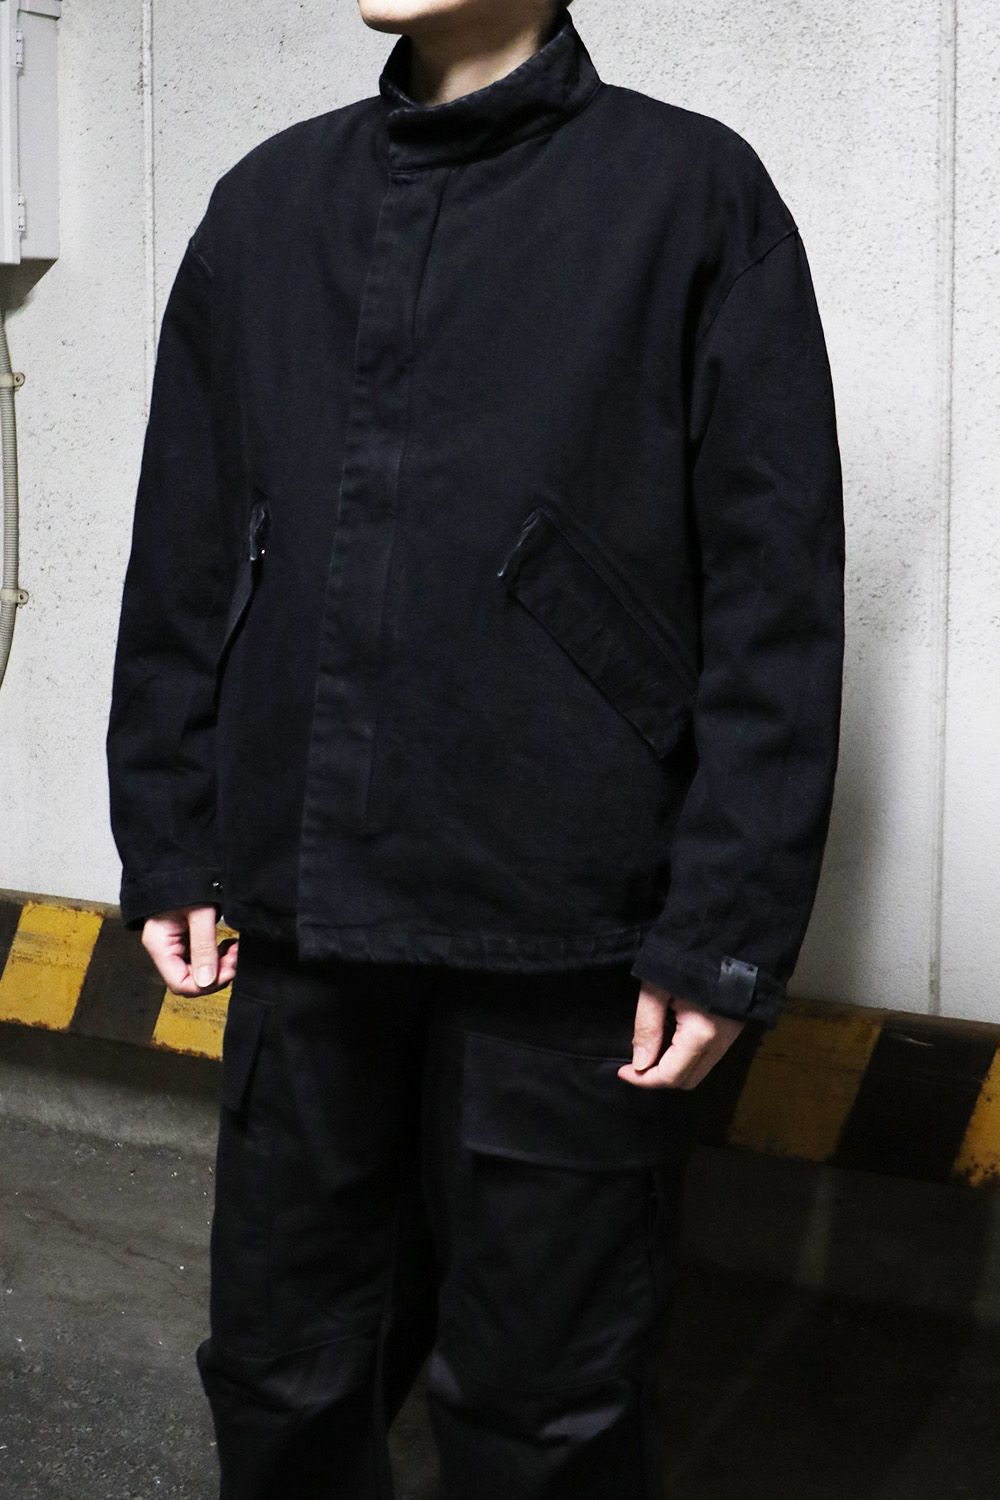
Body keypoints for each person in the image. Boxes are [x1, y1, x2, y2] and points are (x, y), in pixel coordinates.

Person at [105, 0, 845, 1495]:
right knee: (282, 1374)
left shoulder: (691, 196)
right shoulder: (267, 206)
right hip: (307, 923)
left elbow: (776, 601)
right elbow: (186, 547)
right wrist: (170, 834)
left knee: (544, 1408)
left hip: (563, 929)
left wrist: (723, 928)